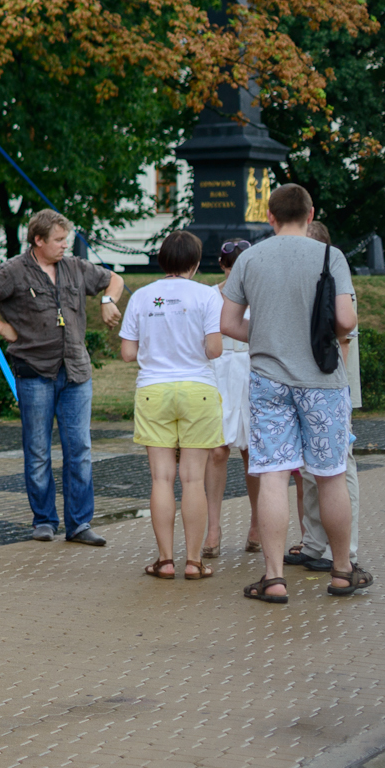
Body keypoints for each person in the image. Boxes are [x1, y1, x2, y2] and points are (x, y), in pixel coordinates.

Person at [222, 184, 365, 602]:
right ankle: (342, 572)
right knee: (331, 475)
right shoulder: (329, 256)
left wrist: (267, 335)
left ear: (269, 216)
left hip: (269, 379)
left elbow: (229, 324)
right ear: (310, 213)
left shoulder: (249, 258)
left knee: (272, 474)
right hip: (322, 382)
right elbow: (344, 320)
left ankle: (273, 578)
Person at [0, 209, 125, 545]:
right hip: (34, 372)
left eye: (68, 240)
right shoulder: (13, 271)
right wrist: (3, 328)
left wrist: (107, 299)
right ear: (38, 240)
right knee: (38, 450)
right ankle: (44, 520)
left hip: (75, 371)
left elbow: (114, 279)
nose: (66, 246)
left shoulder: (76, 267)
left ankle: (79, 524)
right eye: (59, 240)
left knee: (80, 450)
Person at [118, 229, 223, 579]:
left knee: (161, 479)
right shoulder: (208, 296)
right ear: (194, 263)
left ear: (163, 260)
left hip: (154, 390)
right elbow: (214, 350)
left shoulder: (143, 296)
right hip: (199, 390)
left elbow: (128, 353)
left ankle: (164, 561)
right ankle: (194, 561)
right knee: (193, 480)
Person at [289, 219, 363, 573]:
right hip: (308, 385)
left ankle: (345, 550)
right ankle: (315, 543)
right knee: (309, 471)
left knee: (339, 466)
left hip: (332, 387)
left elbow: (344, 341)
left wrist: (337, 392)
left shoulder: (335, 279)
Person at [202, 237, 256, 559]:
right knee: (217, 452)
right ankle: (213, 527)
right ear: (223, 267)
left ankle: (257, 524)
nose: (238, 274)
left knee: (254, 453)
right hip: (219, 374)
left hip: (252, 373)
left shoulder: (261, 295)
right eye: (232, 268)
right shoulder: (210, 296)